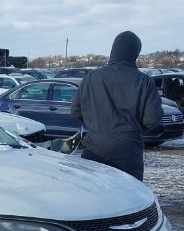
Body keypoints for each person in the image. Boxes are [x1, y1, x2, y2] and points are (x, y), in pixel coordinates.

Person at [70, 31, 163, 181]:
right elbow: (153, 119)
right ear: (135, 53)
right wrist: (132, 130)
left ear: (113, 51)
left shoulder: (90, 78)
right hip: (129, 150)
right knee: (131, 196)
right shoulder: (144, 81)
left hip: (95, 148)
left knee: (94, 194)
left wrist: (96, 125)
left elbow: (76, 111)